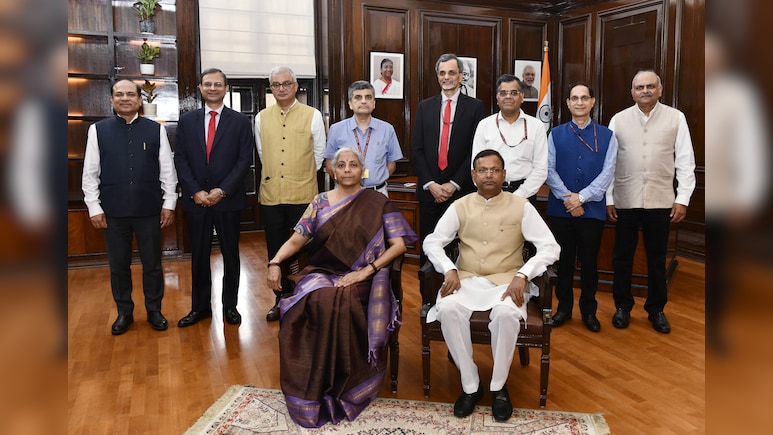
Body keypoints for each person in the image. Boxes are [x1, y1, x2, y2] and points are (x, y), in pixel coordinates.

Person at [266, 147, 417, 428]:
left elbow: (398, 245)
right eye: (342, 165)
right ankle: (315, 380)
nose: (347, 169)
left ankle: (346, 382)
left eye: (353, 165)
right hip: (323, 271)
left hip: (364, 276)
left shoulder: (377, 202)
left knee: (341, 298)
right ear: (333, 171)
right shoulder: (320, 202)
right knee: (316, 299)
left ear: (362, 170)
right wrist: (275, 261)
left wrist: (366, 271)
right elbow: (297, 240)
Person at [423, 149, 560, 422]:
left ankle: (499, 387)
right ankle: (471, 385)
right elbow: (432, 241)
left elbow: (550, 247)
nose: (489, 175)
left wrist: (524, 274)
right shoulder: (460, 205)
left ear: (504, 174)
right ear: (473, 175)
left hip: (507, 282)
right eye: (483, 170)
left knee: (506, 314)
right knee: (448, 309)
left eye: (494, 170)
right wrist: (449, 268)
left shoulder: (521, 206)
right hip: (467, 279)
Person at [81, 79, 178, 335]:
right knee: (119, 266)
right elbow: (90, 173)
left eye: (130, 94)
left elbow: (167, 171)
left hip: (149, 210)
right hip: (113, 212)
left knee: (153, 265)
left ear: (139, 100)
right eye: (119, 94)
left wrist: (169, 203)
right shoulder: (98, 130)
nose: (125, 98)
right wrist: (94, 207)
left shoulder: (155, 130)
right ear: (111, 99)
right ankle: (124, 312)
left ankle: (154, 310)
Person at [606, 70, 696, 334]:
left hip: (661, 200)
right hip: (625, 199)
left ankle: (656, 309)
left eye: (650, 86)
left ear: (660, 89)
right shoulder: (618, 120)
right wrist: (609, 198)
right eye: (639, 87)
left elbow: (686, 161)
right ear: (632, 92)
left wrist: (683, 198)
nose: (645, 91)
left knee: (657, 259)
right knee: (622, 257)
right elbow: (609, 164)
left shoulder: (676, 118)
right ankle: (622, 306)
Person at [174, 68, 255, 327]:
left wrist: (222, 190)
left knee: (230, 254)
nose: (212, 88)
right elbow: (181, 159)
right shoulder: (186, 121)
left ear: (226, 89)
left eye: (218, 84)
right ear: (200, 88)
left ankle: (230, 306)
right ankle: (200, 308)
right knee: (199, 256)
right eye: (207, 84)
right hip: (196, 200)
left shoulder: (240, 121)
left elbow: (244, 160)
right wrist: (195, 190)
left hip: (228, 200)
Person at [546, 83, 617, 332]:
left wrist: (582, 198)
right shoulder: (554, 134)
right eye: (574, 98)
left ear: (592, 102)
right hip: (561, 210)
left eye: (584, 98)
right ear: (567, 103)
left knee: (589, 263)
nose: (579, 102)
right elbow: (548, 170)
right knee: (563, 262)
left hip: (592, 211)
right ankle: (563, 309)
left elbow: (608, 172)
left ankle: (589, 311)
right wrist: (569, 199)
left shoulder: (608, 136)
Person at [257, 65, 326, 321]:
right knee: (276, 252)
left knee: (304, 252)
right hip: (272, 196)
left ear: (296, 86)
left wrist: (299, 175)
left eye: (286, 83)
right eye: (276, 85)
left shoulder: (313, 115)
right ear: (271, 88)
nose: (282, 88)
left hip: (304, 197)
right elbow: (263, 154)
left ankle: (305, 300)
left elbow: (319, 155)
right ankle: (281, 301)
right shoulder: (261, 118)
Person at [412, 53, 486, 266]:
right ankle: (428, 288)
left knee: (460, 248)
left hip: (460, 192)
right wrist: (431, 184)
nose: (446, 77)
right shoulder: (425, 106)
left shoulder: (475, 107)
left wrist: (453, 184)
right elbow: (416, 149)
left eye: (451, 72)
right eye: (442, 73)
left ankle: (457, 287)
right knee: (429, 246)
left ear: (461, 76)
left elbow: (475, 151)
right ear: (437, 76)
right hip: (429, 193)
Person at [471, 74, 548, 203]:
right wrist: (491, 193)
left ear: (522, 96)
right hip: (490, 193)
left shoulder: (536, 126)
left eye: (513, 93)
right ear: (497, 98)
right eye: (503, 93)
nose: (508, 97)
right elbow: (476, 166)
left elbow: (541, 169)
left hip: (525, 194)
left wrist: (519, 195)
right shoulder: (484, 125)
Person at [324, 80, 403, 196]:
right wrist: (347, 182)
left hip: (377, 193)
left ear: (374, 103)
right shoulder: (336, 129)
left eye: (368, 97)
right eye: (358, 97)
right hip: (345, 193)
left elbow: (391, 165)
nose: (363, 101)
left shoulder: (387, 129)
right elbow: (330, 165)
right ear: (350, 104)